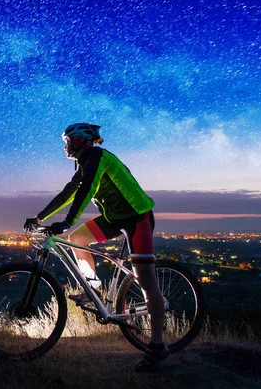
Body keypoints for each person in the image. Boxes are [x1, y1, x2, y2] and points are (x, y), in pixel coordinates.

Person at [24, 123, 168, 373]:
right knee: (78, 239)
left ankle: (157, 346)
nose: (64, 145)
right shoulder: (85, 162)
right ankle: (94, 288)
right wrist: (39, 217)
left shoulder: (97, 157)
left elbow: (87, 188)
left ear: (80, 141)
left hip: (137, 217)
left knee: (146, 283)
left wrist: (67, 219)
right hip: (114, 217)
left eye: (67, 140)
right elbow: (69, 192)